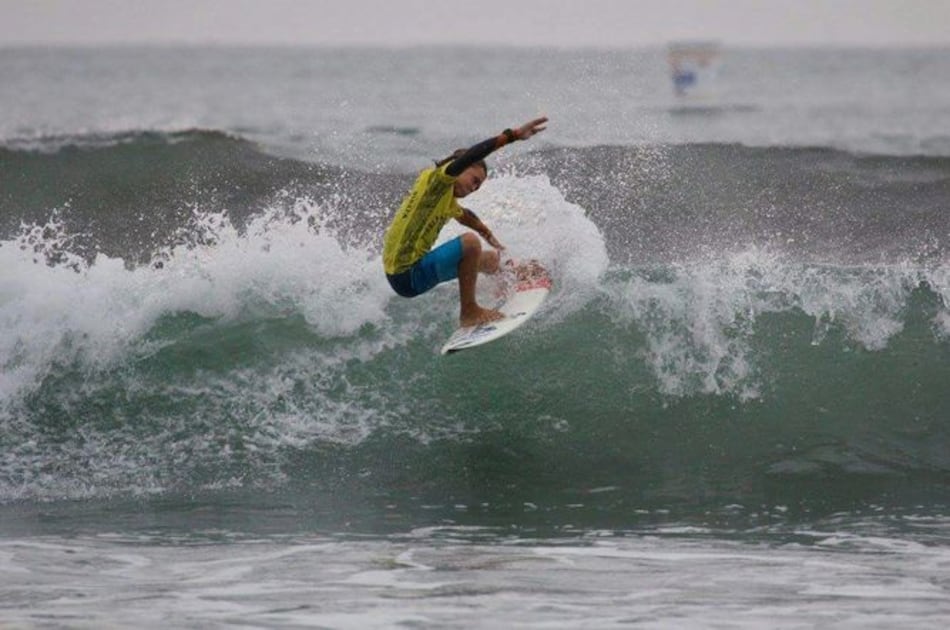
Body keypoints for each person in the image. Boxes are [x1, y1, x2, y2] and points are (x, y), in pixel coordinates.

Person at [383, 116, 548, 327]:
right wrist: (512, 136)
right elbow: (472, 155)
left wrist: (493, 240)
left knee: (489, 259)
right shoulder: (436, 182)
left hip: (412, 273)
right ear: (459, 167)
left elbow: (467, 217)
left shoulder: (445, 198)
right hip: (406, 275)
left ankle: (508, 282)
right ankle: (469, 312)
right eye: (474, 181)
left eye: (478, 187)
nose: (474, 188)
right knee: (470, 243)